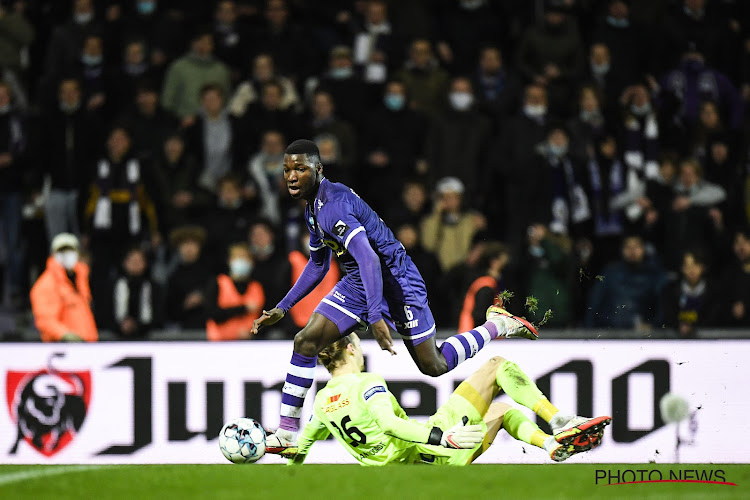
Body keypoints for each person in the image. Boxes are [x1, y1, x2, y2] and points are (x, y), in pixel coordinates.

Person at [251, 140, 538, 454]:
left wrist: (375, 317)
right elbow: (319, 263)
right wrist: (282, 307)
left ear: (318, 170)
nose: (291, 176)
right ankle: (288, 433)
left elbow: (371, 258)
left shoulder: (333, 207)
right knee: (305, 341)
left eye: (300, 168)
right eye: (287, 169)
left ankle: (497, 325)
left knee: (434, 365)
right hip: (359, 281)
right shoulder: (313, 208)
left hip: (397, 280)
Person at [279, 331, 611, 465]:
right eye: (359, 343)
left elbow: (299, 448)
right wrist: (443, 436)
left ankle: (552, 446)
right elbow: (390, 424)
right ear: (350, 348)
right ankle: (559, 421)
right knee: (496, 366)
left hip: (414, 472)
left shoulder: (322, 402)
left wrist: (270, 446)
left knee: (502, 410)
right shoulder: (365, 382)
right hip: (433, 450)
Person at [30, 233, 97, 342]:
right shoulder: (46, 284)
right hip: (62, 346)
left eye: (70, 250)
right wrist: (65, 335)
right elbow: (45, 320)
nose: (66, 255)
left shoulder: (80, 278)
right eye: (61, 251)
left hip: (85, 345)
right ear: (53, 254)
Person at [205, 243, 264, 341]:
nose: (241, 261)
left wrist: (254, 333)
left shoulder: (256, 287)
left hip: (249, 343)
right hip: (219, 343)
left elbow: (266, 318)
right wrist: (243, 308)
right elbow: (212, 313)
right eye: (237, 257)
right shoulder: (218, 283)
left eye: (245, 258)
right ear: (229, 261)